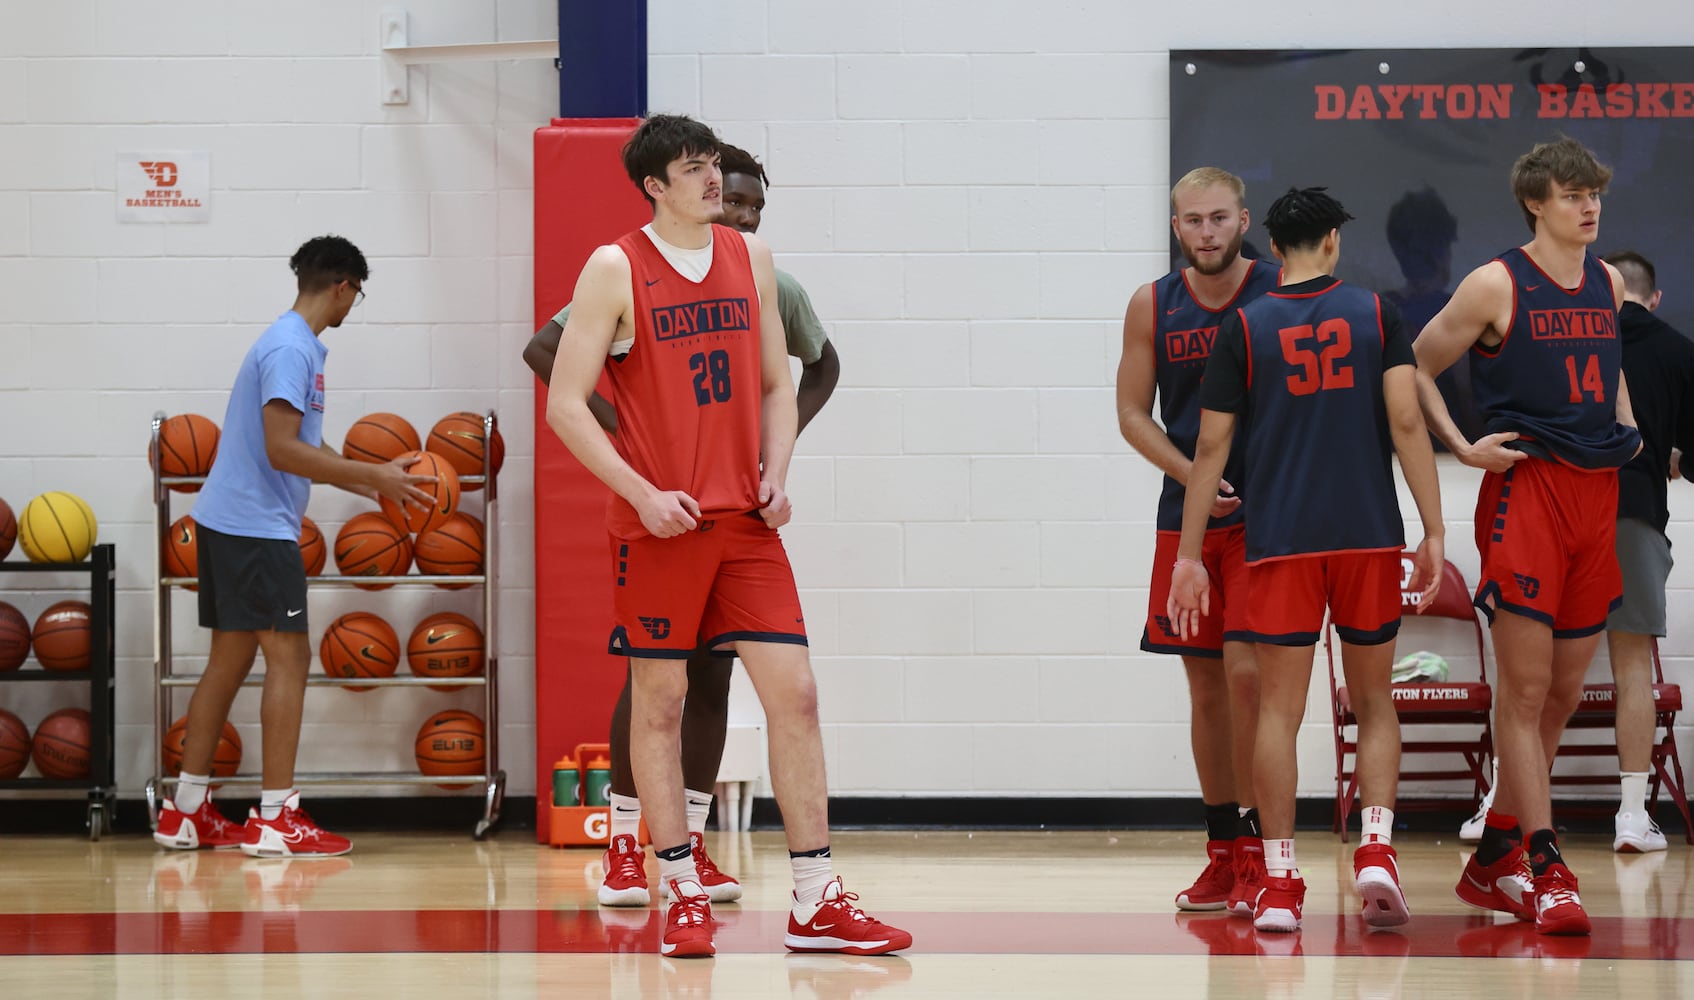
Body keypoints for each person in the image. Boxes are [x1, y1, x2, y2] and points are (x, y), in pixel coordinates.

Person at [543, 113, 909, 958]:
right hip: (659, 525)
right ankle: (679, 889)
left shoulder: (753, 260)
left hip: (745, 523)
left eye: (714, 163)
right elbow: (565, 402)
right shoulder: (613, 268)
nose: (713, 179)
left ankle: (817, 899)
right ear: (654, 187)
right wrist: (640, 489)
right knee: (662, 704)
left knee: (798, 696)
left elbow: (781, 385)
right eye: (694, 167)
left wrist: (777, 472)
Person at [1168, 186, 1445, 933]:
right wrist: (1434, 529)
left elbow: (1210, 448)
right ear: (1331, 240)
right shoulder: (1377, 313)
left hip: (1281, 540)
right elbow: (1408, 418)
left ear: (1275, 244)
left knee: (1278, 714)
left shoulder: (1244, 327)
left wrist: (1189, 555)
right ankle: (1377, 852)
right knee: (1376, 700)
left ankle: (1282, 881)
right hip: (1366, 535)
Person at [1411, 137, 1640, 936]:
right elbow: (1415, 365)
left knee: (1566, 695)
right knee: (1528, 690)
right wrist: (1460, 445)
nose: (1590, 205)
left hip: (1597, 492)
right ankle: (1545, 863)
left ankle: (1491, 859)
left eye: (1595, 193)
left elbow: (1606, 363)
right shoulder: (1494, 283)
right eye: (1574, 194)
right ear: (1536, 202)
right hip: (1529, 493)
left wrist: (1628, 423)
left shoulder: (1607, 279)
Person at [152, 235, 437, 858]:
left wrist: (374, 488)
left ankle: (186, 810)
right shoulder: (290, 349)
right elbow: (281, 449)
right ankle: (278, 816)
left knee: (227, 663)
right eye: (356, 294)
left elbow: (304, 445)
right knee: (289, 661)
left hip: (232, 523)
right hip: (254, 528)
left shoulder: (292, 343)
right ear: (342, 286)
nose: (353, 306)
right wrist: (375, 475)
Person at [1116, 167, 1277, 917]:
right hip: (1187, 519)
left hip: (1269, 519)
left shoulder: (1279, 292)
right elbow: (1132, 414)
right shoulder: (1153, 304)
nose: (1206, 232)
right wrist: (1196, 476)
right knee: (1206, 686)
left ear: (1243, 219)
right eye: (1192, 221)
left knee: (1249, 678)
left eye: (1219, 218)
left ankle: (1261, 849)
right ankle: (1221, 851)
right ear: (1175, 226)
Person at [1601, 250, 1694, 853]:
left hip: (1561, 510)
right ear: (1653, 297)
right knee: (1632, 665)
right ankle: (1633, 816)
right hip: (1635, 509)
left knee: (1536, 668)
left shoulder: (1568, 337)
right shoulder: (1678, 348)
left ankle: (1502, 809)